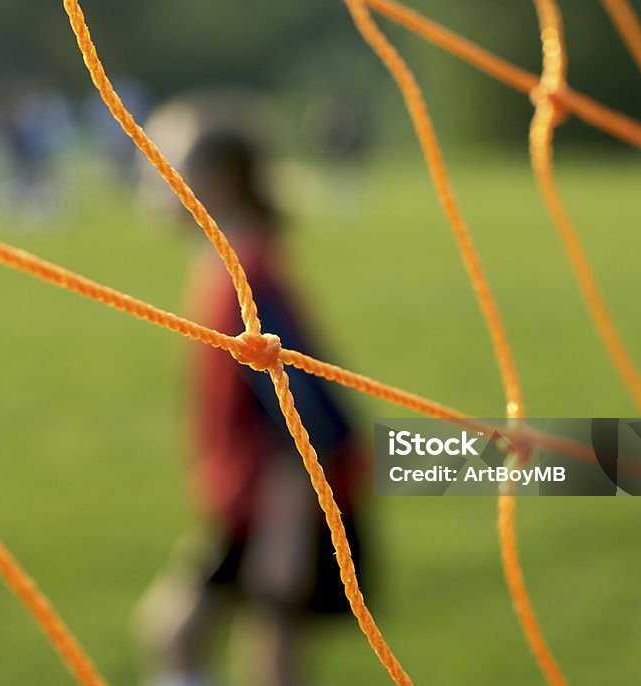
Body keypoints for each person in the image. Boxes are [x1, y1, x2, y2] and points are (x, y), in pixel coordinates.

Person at [134, 94, 371, 686]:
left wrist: (286, 528)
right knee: (192, 636)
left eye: (162, 166)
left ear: (212, 180)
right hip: (252, 497)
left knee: (226, 644)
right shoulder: (228, 264)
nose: (148, 182)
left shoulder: (247, 277)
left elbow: (303, 412)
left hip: (284, 500)